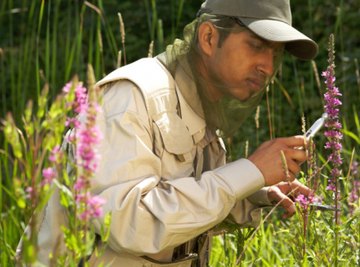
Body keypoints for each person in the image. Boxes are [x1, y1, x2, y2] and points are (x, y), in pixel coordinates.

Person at [33, 0, 318, 266]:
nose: (267, 66)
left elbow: (181, 216)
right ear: (209, 38)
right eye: (256, 45)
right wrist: (247, 170)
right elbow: (129, 224)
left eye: (276, 53)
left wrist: (255, 193)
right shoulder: (132, 99)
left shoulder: (200, 112)